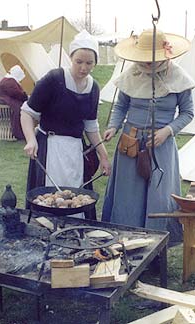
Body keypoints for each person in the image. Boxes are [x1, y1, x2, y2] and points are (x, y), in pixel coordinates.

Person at [102, 29, 195, 245]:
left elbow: (188, 113)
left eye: (150, 61)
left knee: (159, 196)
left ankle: (156, 245)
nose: (145, 65)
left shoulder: (178, 77)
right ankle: (125, 241)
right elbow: (121, 106)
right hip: (131, 142)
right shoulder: (131, 75)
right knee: (128, 194)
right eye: (143, 60)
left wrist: (167, 130)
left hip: (161, 145)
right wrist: (114, 126)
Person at [20, 30, 111, 219]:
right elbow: (27, 112)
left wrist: (103, 155)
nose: (83, 68)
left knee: (76, 197)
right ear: (71, 58)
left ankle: (74, 233)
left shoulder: (93, 87)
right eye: (79, 62)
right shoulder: (54, 79)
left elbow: (91, 126)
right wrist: (30, 140)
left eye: (89, 63)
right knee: (48, 198)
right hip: (49, 147)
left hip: (75, 150)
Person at [0, 65, 28, 140]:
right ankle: (18, 133)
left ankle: (21, 131)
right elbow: (16, 93)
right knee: (19, 108)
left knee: (20, 106)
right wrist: (25, 96)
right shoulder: (9, 81)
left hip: (6, 99)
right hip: (4, 100)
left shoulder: (9, 80)